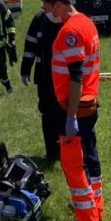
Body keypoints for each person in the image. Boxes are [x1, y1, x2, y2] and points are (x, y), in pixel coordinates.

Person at [41, 0, 101, 221]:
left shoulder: (70, 31)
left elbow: (76, 75)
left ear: (58, 5)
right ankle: (96, 211)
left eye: (47, 9)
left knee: (74, 167)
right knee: (91, 160)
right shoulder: (86, 22)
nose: (47, 14)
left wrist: (70, 116)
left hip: (73, 107)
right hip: (88, 102)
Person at [21, 9, 63, 163]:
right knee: (47, 114)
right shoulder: (39, 19)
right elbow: (30, 45)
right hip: (45, 77)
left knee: (65, 115)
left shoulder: (66, 18)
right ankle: (51, 151)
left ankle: (67, 151)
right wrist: (25, 69)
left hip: (65, 79)